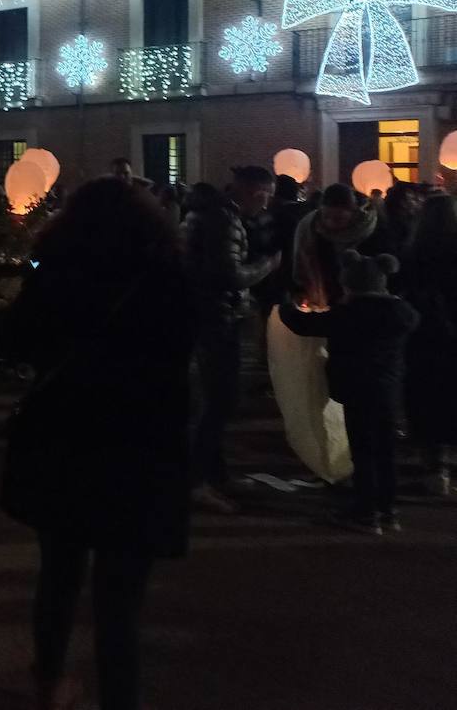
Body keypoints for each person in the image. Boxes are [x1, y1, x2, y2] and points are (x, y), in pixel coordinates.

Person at [1, 178, 194, 710]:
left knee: (59, 574)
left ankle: (48, 681)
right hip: (139, 445)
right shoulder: (167, 273)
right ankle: (119, 699)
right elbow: (183, 356)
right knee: (120, 600)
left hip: (64, 437)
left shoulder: (56, 266)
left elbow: (19, 337)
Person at [282, 251, 418, 533]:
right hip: (388, 391)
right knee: (385, 450)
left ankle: (365, 512)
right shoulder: (401, 313)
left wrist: (285, 305)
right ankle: (388, 508)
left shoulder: (347, 314)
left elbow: (303, 324)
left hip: (356, 389)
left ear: (349, 286)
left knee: (363, 450)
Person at [181, 167, 279, 513]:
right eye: (263, 195)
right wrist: (267, 265)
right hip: (216, 318)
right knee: (213, 402)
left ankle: (212, 473)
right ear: (249, 190)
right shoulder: (224, 219)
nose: (265, 203)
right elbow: (230, 274)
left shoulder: (211, 214)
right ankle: (198, 480)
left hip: (208, 316)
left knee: (213, 402)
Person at [403, 195, 457, 497]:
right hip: (452, 336)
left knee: (426, 401)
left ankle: (435, 468)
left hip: (423, 337)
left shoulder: (414, 252)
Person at [293, 183, 389, 311]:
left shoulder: (371, 229)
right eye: (326, 216)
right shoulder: (311, 226)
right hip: (322, 299)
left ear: (354, 212)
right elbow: (301, 260)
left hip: (364, 305)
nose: (330, 223)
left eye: (338, 219)